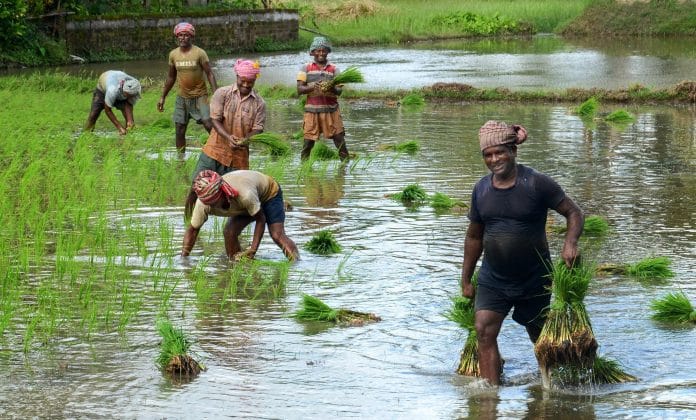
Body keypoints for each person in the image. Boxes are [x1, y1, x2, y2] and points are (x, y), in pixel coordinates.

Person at [460, 120, 584, 386]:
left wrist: (570, 242)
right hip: (494, 278)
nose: (494, 159)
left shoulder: (537, 184)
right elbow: (473, 236)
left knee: (539, 336)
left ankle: (551, 388)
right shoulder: (481, 190)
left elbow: (573, 212)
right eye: (488, 155)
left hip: (534, 278)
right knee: (483, 330)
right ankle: (489, 397)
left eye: (500, 152)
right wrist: (467, 279)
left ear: (513, 152)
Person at [184, 59, 265, 220]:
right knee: (196, 187)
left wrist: (245, 140)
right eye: (243, 81)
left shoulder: (259, 103)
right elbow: (215, 120)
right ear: (237, 76)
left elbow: (258, 128)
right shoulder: (222, 93)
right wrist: (228, 137)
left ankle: (232, 234)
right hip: (215, 151)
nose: (246, 85)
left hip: (239, 158)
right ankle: (188, 223)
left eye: (250, 82)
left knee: (235, 197)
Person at [182, 169, 299, 261]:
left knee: (277, 235)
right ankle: (236, 265)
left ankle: (297, 263)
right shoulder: (203, 204)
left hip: (268, 194)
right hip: (245, 203)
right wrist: (184, 259)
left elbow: (261, 219)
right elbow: (192, 230)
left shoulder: (245, 195)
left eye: (215, 202)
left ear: (223, 193)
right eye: (210, 203)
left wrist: (253, 249)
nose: (213, 206)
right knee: (229, 232)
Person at [157, 21, 218, 153]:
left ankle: (219, 150)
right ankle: (181, 159)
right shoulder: (173, 54)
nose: (182, 38)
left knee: (209, 124)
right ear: (176, 37)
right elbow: (171, 77)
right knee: (179, 128)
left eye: (186, 35)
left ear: (192, 37)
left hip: (200, 96)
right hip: (182, 98)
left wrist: (217, 95)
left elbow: (210, 74)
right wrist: (163, 97)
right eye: (180, 35)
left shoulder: (200, 53)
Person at [296, 36, 349, 161]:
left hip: (331, 111)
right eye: (318, 51)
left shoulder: (334, 69)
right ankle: (304, 169)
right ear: (313, 52)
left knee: (339, 141)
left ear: (327, 51)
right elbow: (299, 90)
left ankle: (345, 169)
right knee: (308, 143)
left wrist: (330, 87)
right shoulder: (305, 68)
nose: (321, 53)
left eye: (324, 50)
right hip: (312, 112)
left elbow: (339, 91)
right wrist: (313, 86)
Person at [85, 70, 141, 135]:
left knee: (130, 122)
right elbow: (108, 110)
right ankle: (86, 134)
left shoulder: (135, 87)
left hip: (117, 82)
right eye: (126, 95)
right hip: (102, 89)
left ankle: (127, 136)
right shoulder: (112, 90)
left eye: (130, 96)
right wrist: (119, 127)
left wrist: (130, 120)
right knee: (93, 115)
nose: (127, 97)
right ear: (122, 88)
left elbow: (129, 104)